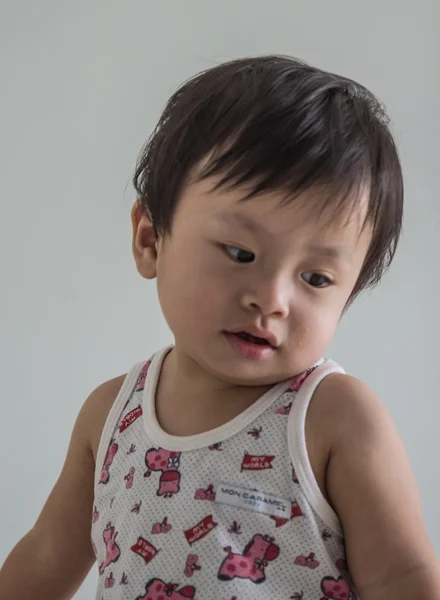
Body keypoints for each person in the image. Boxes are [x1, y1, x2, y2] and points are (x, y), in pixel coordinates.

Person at [1, 55, 438, 600]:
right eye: (240, 252)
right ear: (150, 240)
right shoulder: (110, 418)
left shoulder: (333, 420)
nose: (272, 299)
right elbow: (44, 559)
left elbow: (405, 580)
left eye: (316, 277)